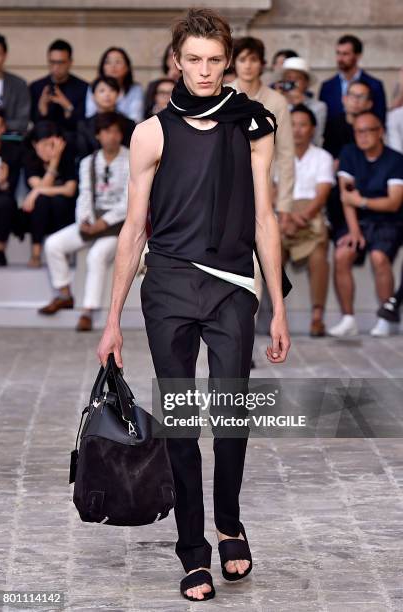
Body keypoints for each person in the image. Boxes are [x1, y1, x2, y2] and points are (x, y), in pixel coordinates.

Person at [97, 7, 291, 602]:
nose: (205, 71)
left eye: (215, 61)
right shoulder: (151, 132)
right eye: (194, 60)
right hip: (170, 286)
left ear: (227, 61)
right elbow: (133, 230)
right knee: (181, 422)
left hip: (232, 283)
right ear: (176, 62)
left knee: (232, 416)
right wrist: (112, 322)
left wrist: (279, 304)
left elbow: (263, 217)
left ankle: (229, 523)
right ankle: (193, 551)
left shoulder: (252, 124)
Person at [229, 36, 295, 357]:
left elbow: (285, 156)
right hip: (227, 197)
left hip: (261, 197)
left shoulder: (276, 102)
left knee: (255, 270)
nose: (248, 65)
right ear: (234, 62)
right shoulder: (223, 95)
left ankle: (245, 343)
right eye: (242, 59)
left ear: (262, 63)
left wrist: (283, 206)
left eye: (254, 59)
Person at [38, 113, 129, 331]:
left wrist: (104, 222)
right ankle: (65, 293)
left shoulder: (132, 159)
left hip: (119, 226)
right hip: (93, 220)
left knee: (96, 255)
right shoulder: (89, 162)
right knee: (53, 244)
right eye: (107, 131)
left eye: (116, 131)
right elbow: (85, 196)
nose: (112, 136)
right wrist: (84, 221)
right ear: (98, 135)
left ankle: (88, 311)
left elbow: (131, 200)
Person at [328, 111, 403, 337]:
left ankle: (385, 318)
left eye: (369, 130)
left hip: (389, 222)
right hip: (358, 221)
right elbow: (346, 195)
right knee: (342, 254)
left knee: (379, 257)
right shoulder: (349, 153)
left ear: (380, 132)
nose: (363, 136)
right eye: (359, 131)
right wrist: (354, 230)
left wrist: (361, 200)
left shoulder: (396, 160)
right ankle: (348, 319)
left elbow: (393, 203)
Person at [279, 104, 334, 336]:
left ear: (312, 129)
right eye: (293, 124)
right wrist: (287, 216)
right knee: (269, 259)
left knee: (319, 257)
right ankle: (276, 317)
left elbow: (322, 195)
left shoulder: (322, 157)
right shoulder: (277, 155)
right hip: (282, 215)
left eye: (303, 125)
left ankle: (317, 318)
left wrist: (300, 217)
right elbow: (272, 190)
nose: (298, 129)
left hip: (311, 218)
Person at [323, 80, 374, 241]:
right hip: (338, 179)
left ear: (369, 103)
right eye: (352, 95)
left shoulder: (373, 126)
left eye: (361, 96)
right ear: (344, 99)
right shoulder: (333, 124)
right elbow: (329, 156)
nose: (356, 100)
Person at [22, 121, 77, 267]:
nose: (49, 149)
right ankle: (35, 253)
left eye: (53, 144)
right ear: (34, 144)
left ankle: (63, 252)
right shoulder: (30, 158)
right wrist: (54, 163)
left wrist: (37, 191)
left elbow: (70, 190)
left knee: (58, 200)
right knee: (41, 201)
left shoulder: (66, 156)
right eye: (44, 144)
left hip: (63, 211)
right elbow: (40, 186)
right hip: (38, 214)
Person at [30, 39, 88, 147]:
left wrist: (67, 106)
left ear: (70, 62)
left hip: (72, 143)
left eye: (61, 62)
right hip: (42, 142)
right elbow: (32, 121)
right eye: (52, 62)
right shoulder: (36, 87)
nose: (56, 67)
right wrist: (42, 108)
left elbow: (83, 122)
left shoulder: (83, 87)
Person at [319, 35, 386, 124]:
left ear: (358, 56)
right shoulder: (327, 86)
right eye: (338, 53)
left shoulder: (375, 85)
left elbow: (380, 119)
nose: (340, 58)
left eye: (345, 54)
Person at [76, 77, 135, 159]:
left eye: (112, 90)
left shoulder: (129, 124)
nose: (107, 94)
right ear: (93, 96)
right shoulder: (84, 125)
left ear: (118, 95)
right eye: (102, 91)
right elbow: (83, 153)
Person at [85, 47, 144, 123]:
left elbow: (136, 118)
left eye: (118, 62)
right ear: (102, 67)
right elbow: (90, 115)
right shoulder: (93, 86)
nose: (113, 66)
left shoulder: (136, 88)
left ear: (127, 67)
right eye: (108, 62)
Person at [278, 57, 327, 146]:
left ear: (306, 83)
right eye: (289, 78)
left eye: (297, 78)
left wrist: (301, 106)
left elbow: (317, 140)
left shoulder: (319, 107)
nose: (293, 82)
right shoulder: (276, 104)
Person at [0, 110, 22, 265]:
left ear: (3, 128)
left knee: (3, 202)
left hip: (3, 195)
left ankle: (0, 250)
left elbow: (12, 186)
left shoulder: (12, 152)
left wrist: (3, 181)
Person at [0, 32, 30, 136]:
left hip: (11, 143)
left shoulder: (19, 85)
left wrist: (0, 126)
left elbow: (23, 122)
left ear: (5, 56)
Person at [144, 42, 180, 117]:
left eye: (178, 55)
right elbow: (147, 110)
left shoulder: (191, 85)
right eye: (171, 56)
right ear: (166, 60)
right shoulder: (154, 85)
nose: (174, 59)